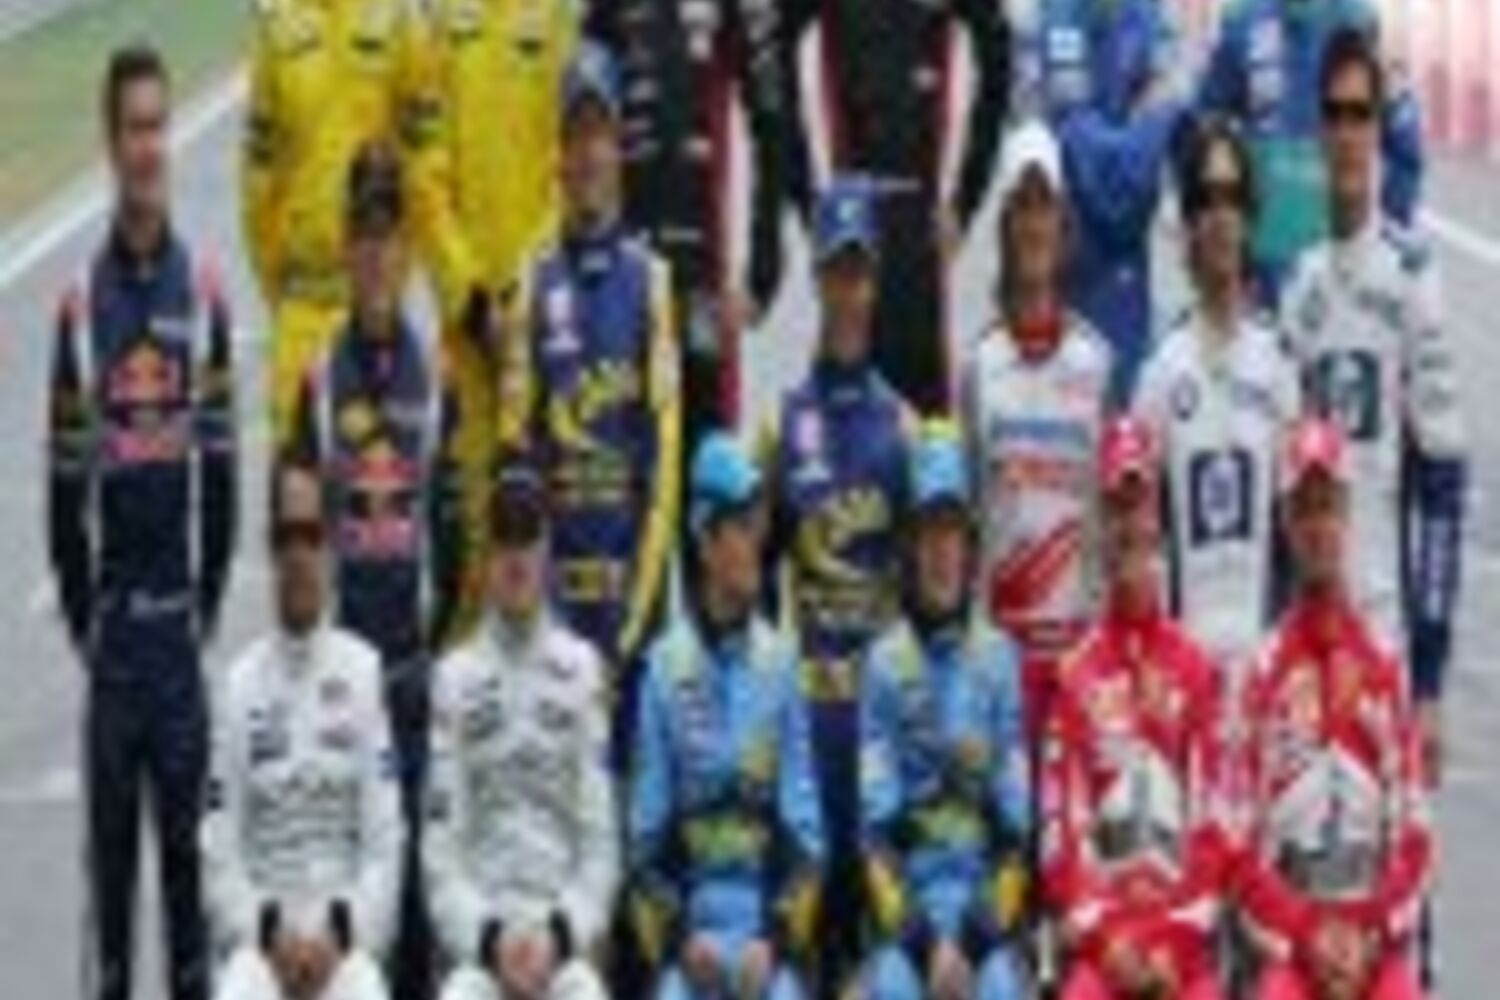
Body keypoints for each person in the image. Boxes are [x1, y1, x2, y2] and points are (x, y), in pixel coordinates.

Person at [47, 45, 238, 1000]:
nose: (150, 145)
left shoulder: (202, 292)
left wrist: (198, 612)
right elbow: (61, 499)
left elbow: (225, 481)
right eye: (135, 127)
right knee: (114, 939)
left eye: (160, 125)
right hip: (116, 655)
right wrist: (95, 629)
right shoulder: (81, 306)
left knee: (191, 920)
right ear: (111, 141)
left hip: (179, 651)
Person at [288, 139, 460, 1000]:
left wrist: (436, 647)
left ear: (407, 249)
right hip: (342, 687)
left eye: (390, 236)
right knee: (347, 904)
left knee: (420, 903)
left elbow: (455, 534)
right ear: (347, 248)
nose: (377, 255)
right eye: (364, 236)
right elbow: (297, 532)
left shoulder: (438, 377)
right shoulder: (320, 378)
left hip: (413, 678)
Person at [1278, 27, 1467, 788]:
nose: (1347, 132)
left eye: (1361, 114)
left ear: (1380, 128)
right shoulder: (1297, 285)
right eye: (1334, 113)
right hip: (1303, 643)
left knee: (1393, 861)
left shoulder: (1415, 277)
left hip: (1382, 638)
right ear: (1317, 129)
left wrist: (1429, 681)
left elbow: (1444, 492)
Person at [497, 41, 681, 736]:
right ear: (558, 153)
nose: (588, 156)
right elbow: (516, 463)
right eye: (575, 137)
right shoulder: (533, 284)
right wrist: (541, 623)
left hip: (633, 610)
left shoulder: (652, 282)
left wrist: (634, 623)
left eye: (599, 135)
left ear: (618, 148)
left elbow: (662, 469)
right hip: (552, 617)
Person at [760, 176, 912, 990]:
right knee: (806, 945)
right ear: (816, 279)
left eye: (860, 273)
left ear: (877, 281)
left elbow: (928, 591)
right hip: (808, 729)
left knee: (880, 954)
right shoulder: (783, 423)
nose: (848, 293)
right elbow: (752, 582)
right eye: (835, 272)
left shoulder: (905, 426)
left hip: (878, 730)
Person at [1239, 417, 1432, 1000]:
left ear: (1347, 514)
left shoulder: (1384, 664)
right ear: (1284, 523)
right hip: (1294, 947)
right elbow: (1239, 846)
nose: (1317, 527)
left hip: (1373, 940)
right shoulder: (1260, 670)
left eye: (1327, 507)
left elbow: (1416, 831)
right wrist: (1305, 936)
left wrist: (1372, 932)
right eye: (1303, 511)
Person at [628, 432, 826, 1000]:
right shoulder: (664, 669)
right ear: (705, 540)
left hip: (765, 940)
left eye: (758, 526)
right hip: (693, 945)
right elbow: (642, 845)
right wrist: (680, 940)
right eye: (741, 526)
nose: (756, 543)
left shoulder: (782, 664)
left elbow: (808, 840)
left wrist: (776, 939)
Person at [1041, 416, 1230, 1000]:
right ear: (1099, 526)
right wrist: (1109, 942)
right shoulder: (1074, 672)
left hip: (1181, 947)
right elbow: (1058, 837)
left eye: (1139, 504)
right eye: (1115, 508)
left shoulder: (1197, 669)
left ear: (1159, 522)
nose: (1128, 523)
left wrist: (1173, 942)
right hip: (1105, 946)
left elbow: (1215, 827)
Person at [203, 462, 403, 1000]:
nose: (298, 555)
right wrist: (267, 933)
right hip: (264, 944)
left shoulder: (364, 672)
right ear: (269, 550)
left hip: (342, 942)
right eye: (285, 538)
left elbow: (385, 843)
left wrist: (341, 934)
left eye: (311, 537)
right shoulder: (239, 684)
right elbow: (219, 851)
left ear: (332, 548)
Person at [425, 457, 618, 1000]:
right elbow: (439, 855)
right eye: (504, 539)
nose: (516, 559)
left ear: (547, 550)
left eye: (527, 537)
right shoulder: (453, 678)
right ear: (485, 556)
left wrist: (560, 937)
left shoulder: (583, 670)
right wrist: (490, 943)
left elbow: (601, 845)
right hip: (482, 948)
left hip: (561, 944)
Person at [1133, 116, 1300, 733]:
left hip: (1264, 686)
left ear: (1251, 217)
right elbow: (1136, 541)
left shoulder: (1280, 364)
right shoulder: (1159, 374)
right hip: (1183, 689)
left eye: (1233, 198)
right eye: (1206, 198)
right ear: (1187, 221)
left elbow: (1303, 537)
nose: (1221, 216)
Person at [243, 0, 473, 442]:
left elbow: (426, 170)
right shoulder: (277, 26)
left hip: (381, 316)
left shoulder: (399, 21)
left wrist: (449, 282)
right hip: (305, 314)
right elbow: (258, 185)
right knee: (298, 478)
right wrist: (285, 298)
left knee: (388, 478)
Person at [584, 0, 809, 450]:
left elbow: (772, 125)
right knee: (619, 447)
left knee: (706, 453)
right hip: (623, 269)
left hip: (705, 274)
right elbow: (581, 118)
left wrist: (762, 271)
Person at [425, 0, 581, 635]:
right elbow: (425, 175)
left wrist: (522, 295)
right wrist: (468, 295)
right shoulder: (440, 20)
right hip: (465, 336)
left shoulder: (550, 19)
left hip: (538, 329)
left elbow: (565, 168)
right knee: (470, 530)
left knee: (539, 514)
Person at [859, 422, 1030, 1000]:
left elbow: (1016, 835)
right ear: (909, 548)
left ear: (971, 547)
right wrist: (927, 946)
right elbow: (874, 840)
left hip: (982, 918)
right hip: (910, 921)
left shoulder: (999, 659)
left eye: (954, 534)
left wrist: (972, 945)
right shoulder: (882, 664)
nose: (943, 554)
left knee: (1002, 988)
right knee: (890, 988)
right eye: (930, 534)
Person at [784, 0, 1012, 414]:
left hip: (920, 226)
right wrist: (811, 201)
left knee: (925, 414)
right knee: (844, 396)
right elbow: (773, 49)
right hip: (850, 222)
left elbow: (998, 56)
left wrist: (965, 199)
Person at [961, 120, 1112, 744]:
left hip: (1079, 663)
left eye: (1044, 206)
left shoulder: (1096, 362)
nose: (1033, 225)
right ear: (1003, 226)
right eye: (1021, 207)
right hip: (1001, 665)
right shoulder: (979, 365)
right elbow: (967, 519)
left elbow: (1110, 515)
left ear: (1063, 224)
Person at [1198, 0, 1425, 302]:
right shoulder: (1244, 23)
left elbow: (1401, 125)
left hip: (1338, 237)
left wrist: (1392, 219)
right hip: (1267, 245)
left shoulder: (1358, 21)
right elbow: (1209, 120)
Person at [1017, 0, 1184, 403]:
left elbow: (1143, 164)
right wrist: (1125, 145)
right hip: (1055, 273)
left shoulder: (1153, 22)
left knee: (1123, 420)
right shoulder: (1038, 21)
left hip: (1126, 284)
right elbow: (1029, 150)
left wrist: (1073, 132)